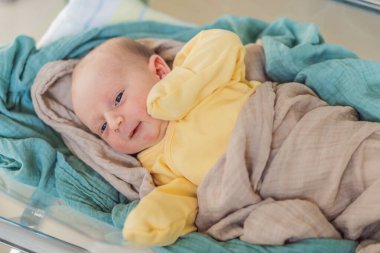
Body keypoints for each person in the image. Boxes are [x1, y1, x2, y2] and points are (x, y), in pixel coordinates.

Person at [71, 29, 260, 246]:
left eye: (118, 98)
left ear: (159, 71)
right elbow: (184, 197)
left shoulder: (193, 80)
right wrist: (152, 218)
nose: (114, 123)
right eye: (102, 127)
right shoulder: (153, 163)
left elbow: (224, 42)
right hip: (255, 182)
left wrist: (178, 90)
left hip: (275, 124)